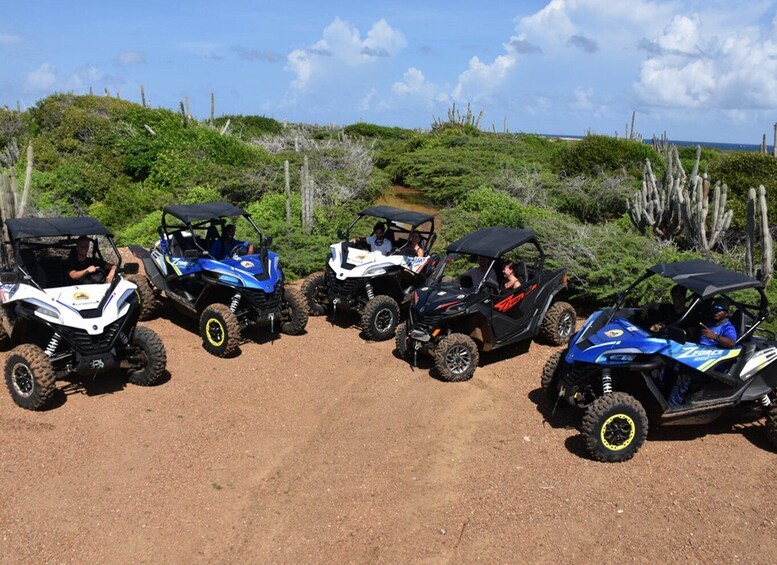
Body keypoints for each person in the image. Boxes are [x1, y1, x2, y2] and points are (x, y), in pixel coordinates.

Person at [667, 300, 737, 408]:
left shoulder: (727, 327)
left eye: (720, 310)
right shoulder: (709, 323)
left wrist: (715, 337)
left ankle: (673, 405)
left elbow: (731, 343)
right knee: (670, 363)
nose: (716, 312)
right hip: (697, 354)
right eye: (715, 308)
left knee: (684, 372)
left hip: (712, 360)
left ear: (726, 312)